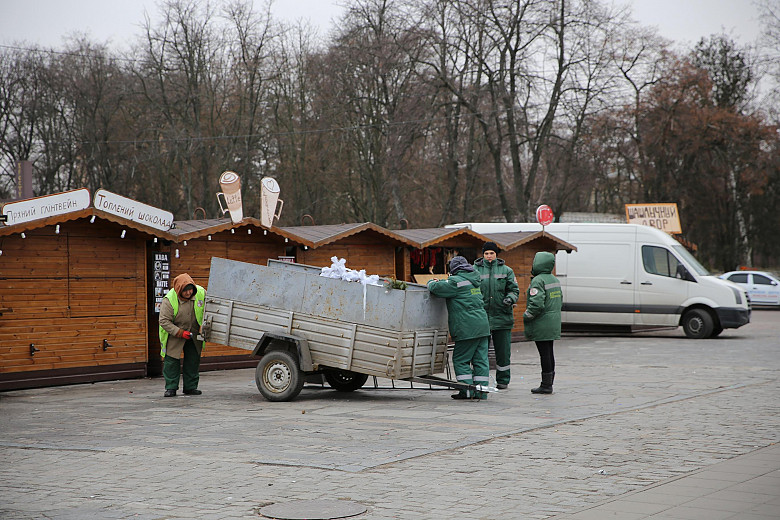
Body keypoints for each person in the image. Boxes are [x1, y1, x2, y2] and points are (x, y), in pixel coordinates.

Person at [427, 256, 491, 400]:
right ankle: (481, 391)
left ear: (453, 269)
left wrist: (432, 281)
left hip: (467, 327)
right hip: (482, 326)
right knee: (480, 360)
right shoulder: (474, 280)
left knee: (461, 359)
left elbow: (435, 288)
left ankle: (466, 391)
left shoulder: (455, 281)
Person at [474, 241, 520, 390]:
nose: (489, 256)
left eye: (491, 253)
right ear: (483, 254)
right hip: (481, 317)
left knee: (503, 351)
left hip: (502, 316)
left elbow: (514, 290)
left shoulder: (507, 271)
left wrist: (510, 299)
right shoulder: (475, 270)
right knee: (480, 352)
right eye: (486, 253)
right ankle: (481, 379)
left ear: (496, 254)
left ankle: (503, 380)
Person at [158, 273, 207, 397]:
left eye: (191, 289)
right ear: (179, 290)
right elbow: (163, 321)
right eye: (185, 291)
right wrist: (179, 332)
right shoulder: (169, 299)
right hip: (175, 333)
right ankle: (171, 387)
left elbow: (211, 306)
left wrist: (204, 325)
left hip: (194, 332)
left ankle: (190, 387)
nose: (189, 293)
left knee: (193, 360)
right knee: (171, 361)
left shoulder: (201, 292)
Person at [523, 251, 563, 394]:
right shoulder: (554, 279)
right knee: (549, 352)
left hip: (542, 322)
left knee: (544, 354)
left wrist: (527, 315)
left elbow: (537, 304)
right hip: (553, 321)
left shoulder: (538, 280)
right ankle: (549, 382)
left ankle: (546, 385)